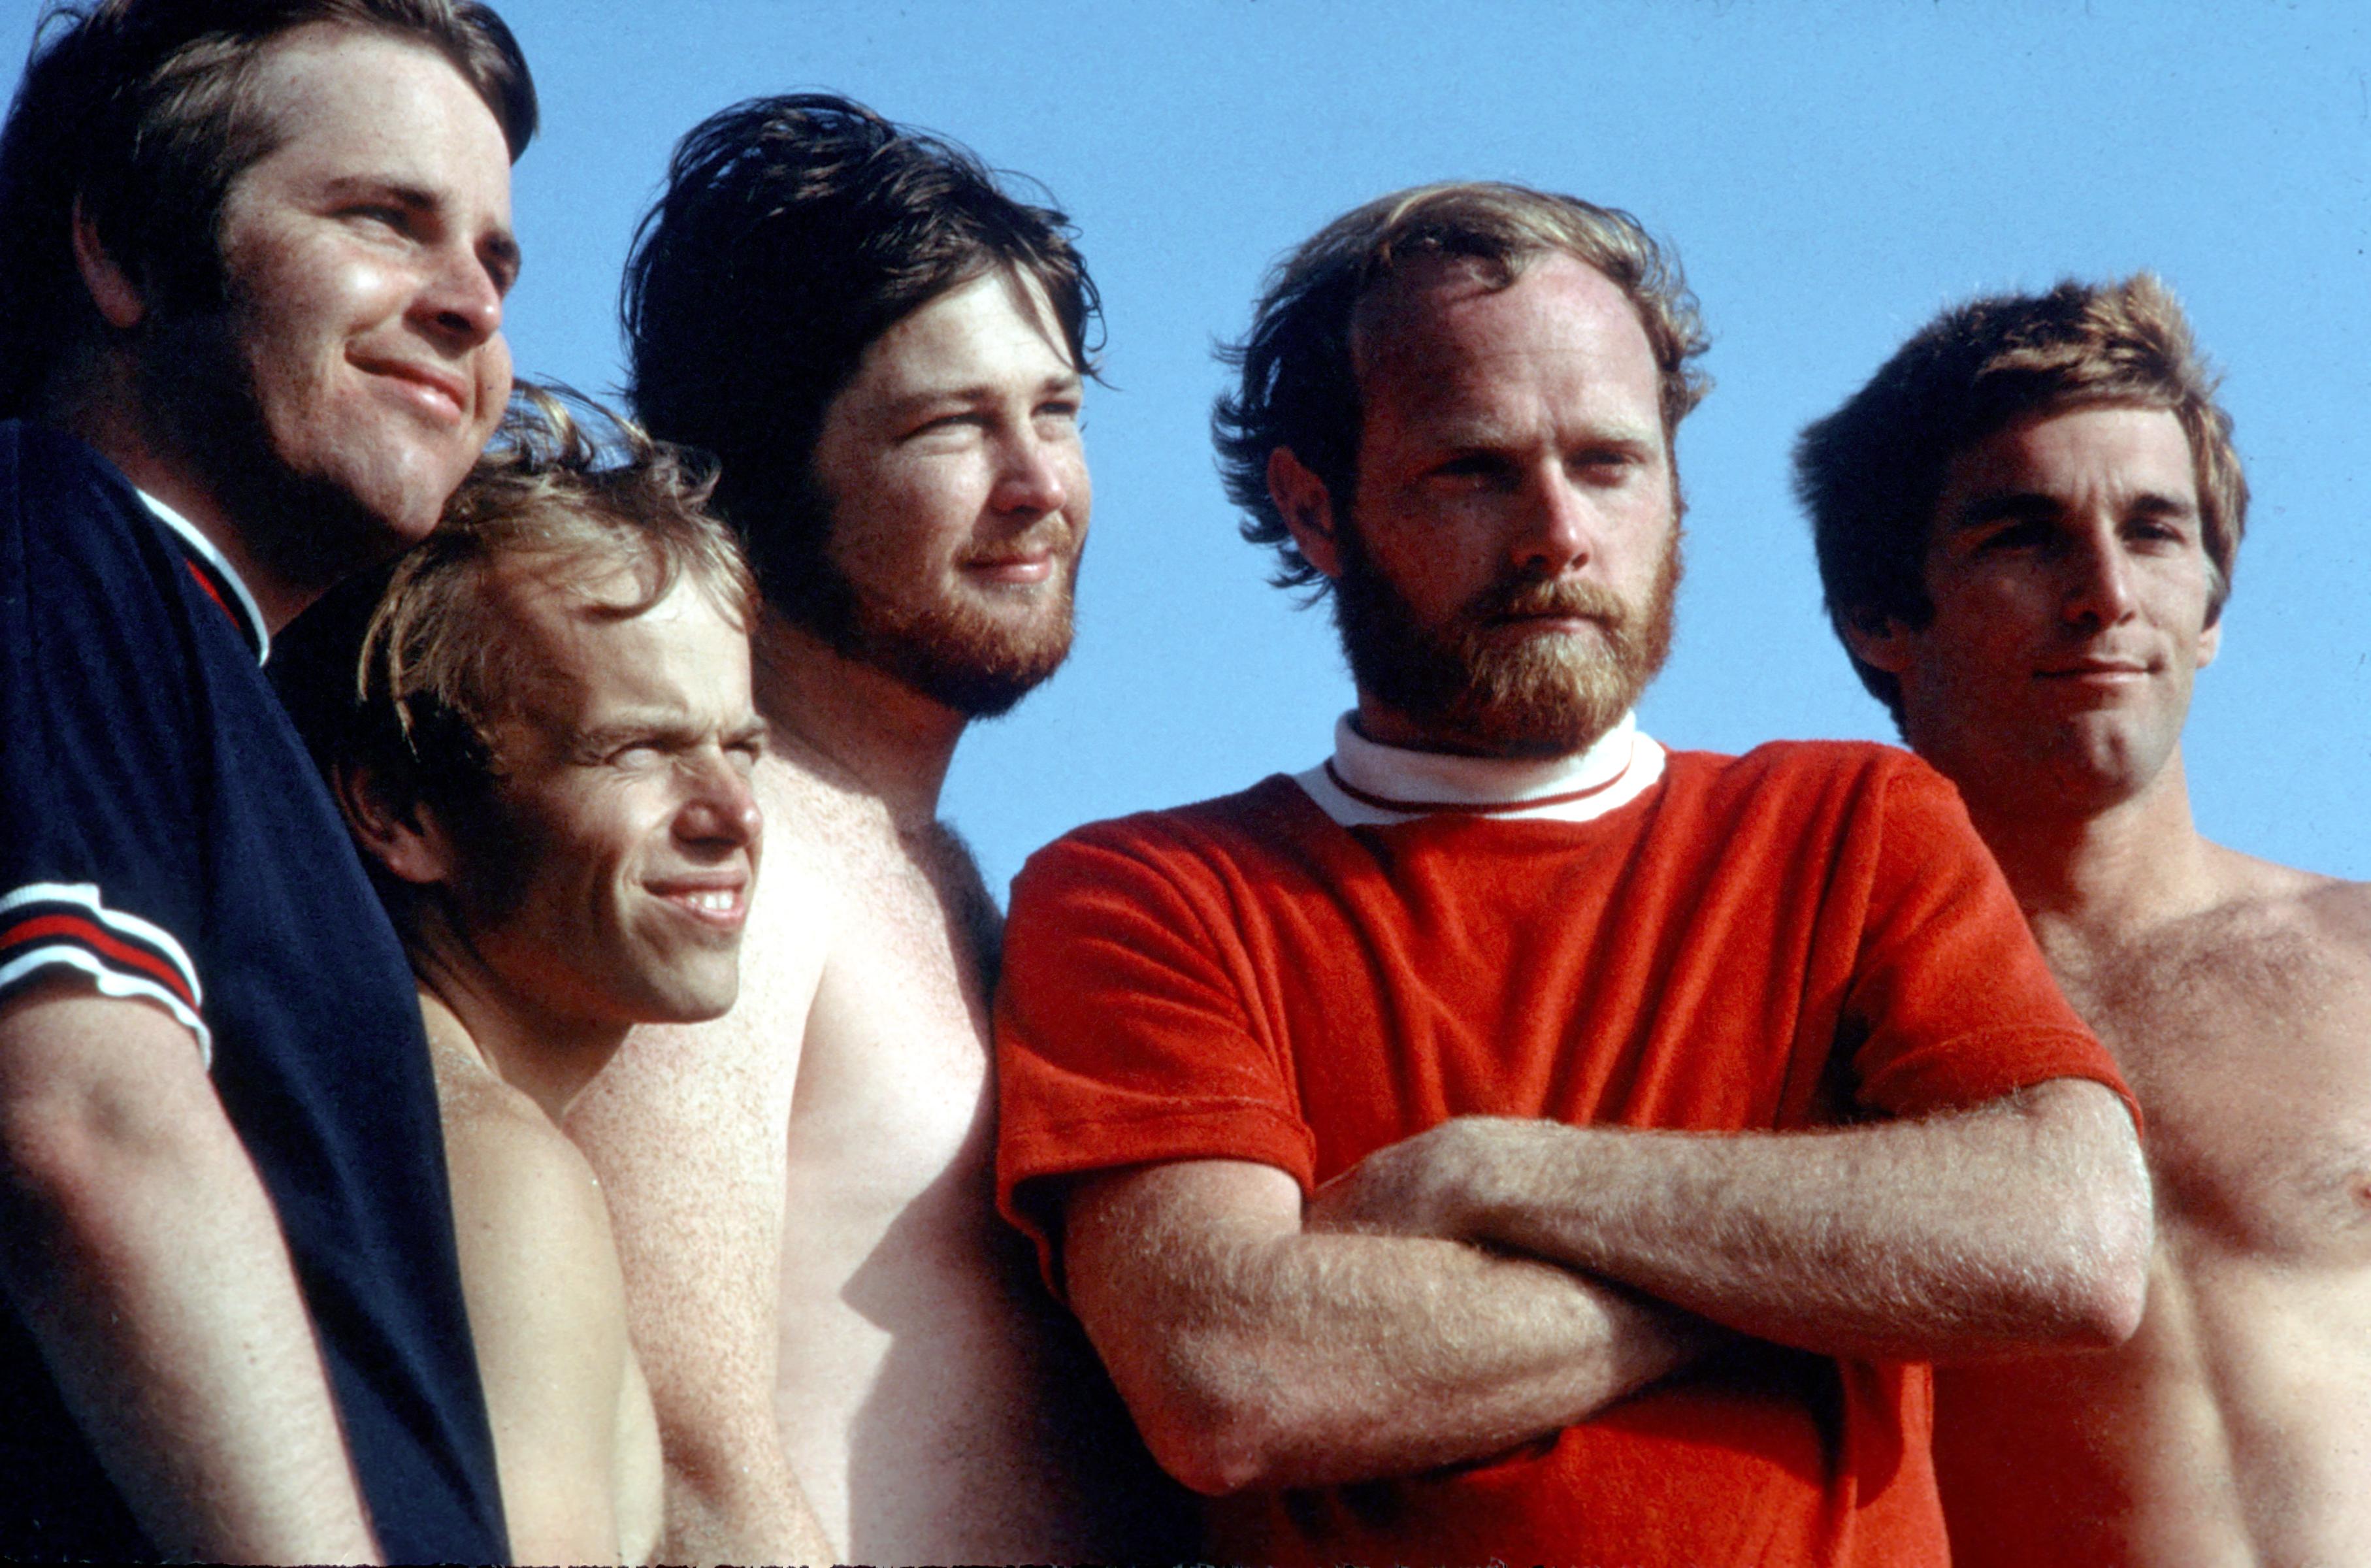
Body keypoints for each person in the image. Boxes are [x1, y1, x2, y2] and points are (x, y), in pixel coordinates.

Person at [992, 182, 2156, 1568]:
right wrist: (1837, 1280)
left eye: (1610, 462)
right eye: (1473, 470)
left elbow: (2075, 1239)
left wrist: (1499, 1173)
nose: (1558, 534)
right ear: (1314, 509)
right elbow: (1233, 1381)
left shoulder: (1854, 824)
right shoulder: (1148, 892)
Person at [563, 93, 1181, 1565]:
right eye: (950, 425)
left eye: (1058, 411)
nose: (1039, 487)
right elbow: (672, 1450)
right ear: (759, 476)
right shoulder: (730, 855)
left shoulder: (937, 869)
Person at [0, 2, 531, 1561]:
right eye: (385, 220)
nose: (468, 308)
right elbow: (88, 1125)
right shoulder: (50, 531)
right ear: (124, 254)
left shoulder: (224, 696)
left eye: (499, 264)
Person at [1796, 272, 2371, 1565]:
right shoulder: (1807, 1038)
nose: (2104, 590)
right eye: (2024, 533)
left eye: (2157, 531)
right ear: (1880, 617)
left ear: (2212, 609)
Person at [278, 394, 766, 1565]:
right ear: (399, 811)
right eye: (637, 749)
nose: (733, 814)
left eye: (741, 744)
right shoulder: (497, 1172)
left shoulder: (389, 1122)